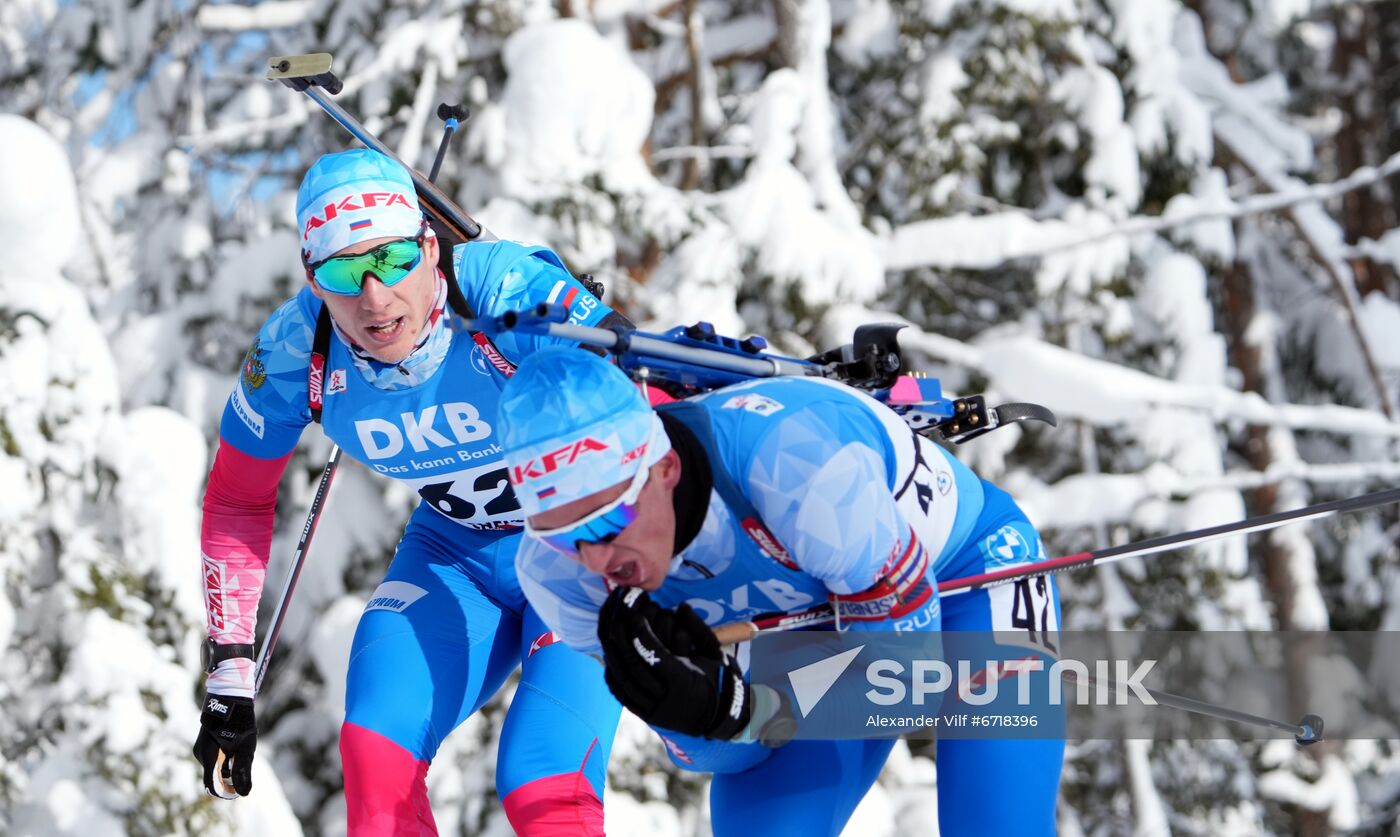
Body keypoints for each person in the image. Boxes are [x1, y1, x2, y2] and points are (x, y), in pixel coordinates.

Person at [192, 148, 625, 835]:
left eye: (392, 259)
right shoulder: (293, 349)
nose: (372, 294)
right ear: (313, 277)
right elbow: (236, 503)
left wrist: (587, 335)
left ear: (429, 247)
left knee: (541, 778)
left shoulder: (493, 285)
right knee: (374, 751)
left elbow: (630, 390)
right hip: (456, 558)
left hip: (578, 552)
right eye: (341, 269)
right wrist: (229, 674)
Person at [494, 347, 1065, 835]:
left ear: (663, 467)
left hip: (971, 574)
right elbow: (727, 754)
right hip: (815, 628)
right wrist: (696, 711)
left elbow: (907, 688)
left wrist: (753, 708)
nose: (595, 559)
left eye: (605, 522)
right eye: (561, 534)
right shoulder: (555, 575)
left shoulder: (793, 466)